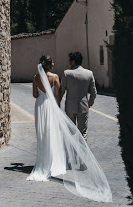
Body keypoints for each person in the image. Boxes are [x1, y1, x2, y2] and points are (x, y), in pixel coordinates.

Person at [26, 55, 112, 203]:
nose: (55, 63)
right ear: (49, 65)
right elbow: (59, 95)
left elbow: (37, 94)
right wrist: (60, 109)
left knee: (44, 135)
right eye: (52, 62)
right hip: (66, 107)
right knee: (71, 134)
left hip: (42, 107)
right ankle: (75, 162)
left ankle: (45, 161)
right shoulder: (61, 76)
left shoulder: (38, 77)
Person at [60, 52, 97, 142]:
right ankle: (83, 154)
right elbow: (94, 92)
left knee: (71, 132)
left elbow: (61, 91)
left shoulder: (67, 73)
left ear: (73, 62)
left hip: (70, 107)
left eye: (69, 60)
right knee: (83, 133)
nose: (68, 63)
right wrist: (89, 103)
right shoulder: (89, 73)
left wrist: (57, 103)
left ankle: (72, 154)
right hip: (83, 107)